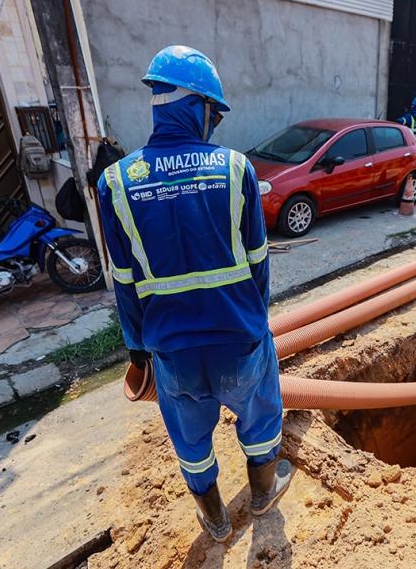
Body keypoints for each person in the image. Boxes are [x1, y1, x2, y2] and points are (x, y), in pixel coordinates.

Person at [97, 45, 291, 543]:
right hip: (239, 341)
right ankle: (264, 495)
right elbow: (257, 266)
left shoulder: (116, 183)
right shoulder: (235, 169)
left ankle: (217, 521)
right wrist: (253, 323)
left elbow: (124, 283)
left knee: (191, 441)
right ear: (196, 104)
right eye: (214, 113)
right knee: (261, 421)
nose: (215, 123)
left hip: (172, 352)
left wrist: (138, 352)